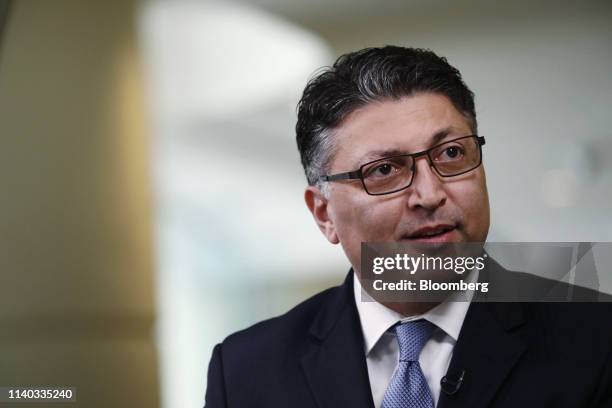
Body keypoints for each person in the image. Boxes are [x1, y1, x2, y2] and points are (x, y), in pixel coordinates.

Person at [204, 46, 612, 408]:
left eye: (451, 153)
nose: (430, 193)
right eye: (384, 169)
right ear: (324, 214)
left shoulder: (595, 340)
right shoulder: (246, 371)